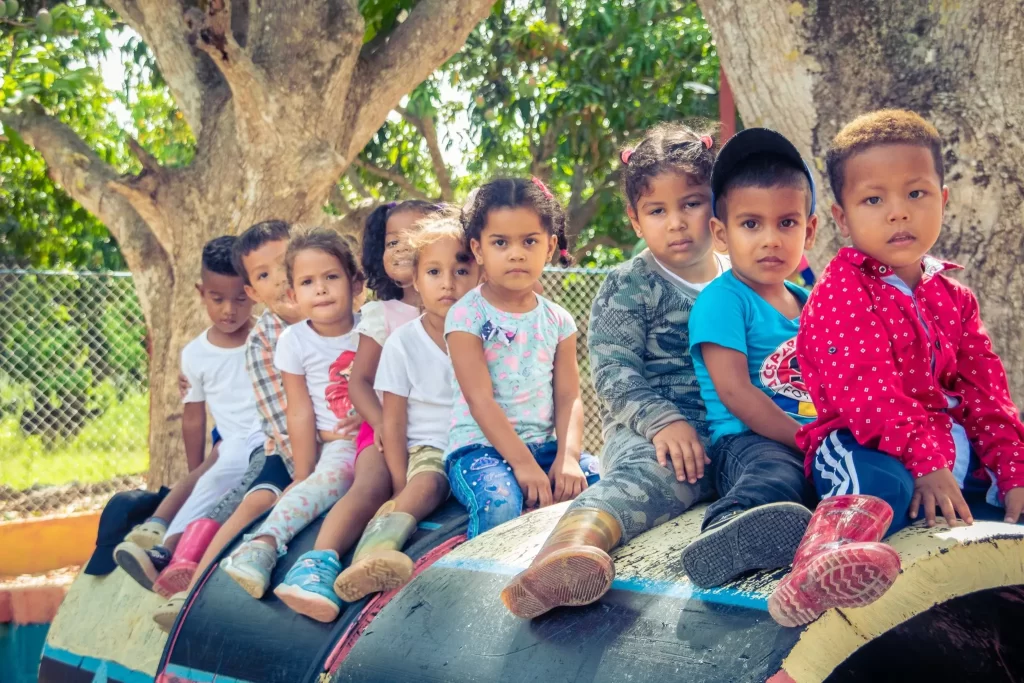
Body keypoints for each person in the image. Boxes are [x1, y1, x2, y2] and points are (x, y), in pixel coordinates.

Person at [770, 109, 1024, 627]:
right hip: (866, 442)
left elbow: (987, 396)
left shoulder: (955, 299)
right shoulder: (842, 291)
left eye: (916, 193)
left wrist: (1013, 473)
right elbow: (869, 391)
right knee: (884, 485)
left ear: (943, 199)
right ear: (842, 219)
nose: (898, 213)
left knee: (1011, 483)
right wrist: (926, 464)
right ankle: (820, 564)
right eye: (873, 199)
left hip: (944, 456)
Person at [501, 123, 728, 619]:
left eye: (692, 203)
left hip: (730, 428)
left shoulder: (742, 278)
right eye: (658, 210)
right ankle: (565, 552)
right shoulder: (630, 283)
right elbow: (613, 372)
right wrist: (663, 421)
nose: (677, 222)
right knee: (658, 477)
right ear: (634, 219)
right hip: (651, 432)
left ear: (718, 204)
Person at [680, 128, 819, 588]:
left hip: (808, 437)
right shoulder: (723, 301)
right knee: (775, 474)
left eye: (786, 223)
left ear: (810, 229)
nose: (771, 240)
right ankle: (730, 526)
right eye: (751, 224)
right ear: (721, 234)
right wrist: (804, 440)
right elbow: (737, 393)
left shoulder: (810, 301)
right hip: (745, 443)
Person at [152, 220, 302, 630]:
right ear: (256, 289)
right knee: (247, 490)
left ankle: (172, 544)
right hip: (281, 445)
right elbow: (279, 417)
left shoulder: (333, 312)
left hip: (311, 444)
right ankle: (186, 571)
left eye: (287, 267)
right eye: (265, 275)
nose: (282, 281)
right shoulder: (263, 339)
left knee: (242, 477)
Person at [327, 212, 480, 607]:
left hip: (482, 445)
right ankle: (371, 554)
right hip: (432, 449)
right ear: (415, 280)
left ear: (480, 275)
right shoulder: (403, 343)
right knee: (428, 485)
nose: (448, 283)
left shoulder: (489, 333)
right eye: (433, 271)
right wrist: (400, 486)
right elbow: (392, 424)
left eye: (462, 270)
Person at [445, 176, 600, 548]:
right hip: (480, 449)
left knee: (603, 483)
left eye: (529, 241)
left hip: (545, 445)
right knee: (500, 502)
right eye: (501, 243)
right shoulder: (466, 316)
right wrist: (524, 465)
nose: (516, 253)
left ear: (549, 248)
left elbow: (569, 397)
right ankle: (479, 592)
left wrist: (567, 457)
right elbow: (480, 400)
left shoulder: (558, 320)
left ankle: (575, 574)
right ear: (478, 249)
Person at [221, 228, 367, 603]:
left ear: (356, 283)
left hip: (384, 435)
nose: (320, 289)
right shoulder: (294, 341)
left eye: (331, 277)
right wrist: (303, 472)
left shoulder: (373, 328)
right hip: (340, 446)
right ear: (293, 295)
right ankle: (265, 544)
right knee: (331, 480)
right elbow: (299, 411)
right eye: (307, 282)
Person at [115, 236, 261, 595]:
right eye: (217, 298)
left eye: (240, 298)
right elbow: (193, 417)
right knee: (209, 481)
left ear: (254, 292)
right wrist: (196, 467)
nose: (229, 309)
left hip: (265, 439)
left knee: (217, 479)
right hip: (231, 445)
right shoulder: (196, 354)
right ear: (201, 292)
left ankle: (168, 550)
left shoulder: (268, 335)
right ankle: (163, 545)